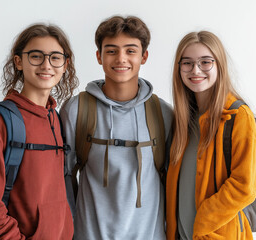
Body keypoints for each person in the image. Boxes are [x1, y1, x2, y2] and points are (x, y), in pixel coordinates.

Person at [60, 15, 173, 240]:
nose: (121, 58)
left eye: (130, 50)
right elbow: (62, 178)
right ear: (99, 57)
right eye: (111, 50)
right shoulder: (76, 109)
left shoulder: (163, 113)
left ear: (144, 56)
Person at [0, 23, 78, 239]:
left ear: (65, 65)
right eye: (36, 56)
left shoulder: (55, 118)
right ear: (19, 61)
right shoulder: (1, 122)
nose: (47, 65)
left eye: (55, 57)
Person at [166, 31, 256, 239]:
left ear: (219, 65)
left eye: (205, 62)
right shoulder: (183, 120)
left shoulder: (237, 116)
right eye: (187, 63)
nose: (195, 70)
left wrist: (203, 221)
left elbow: (246, 186)